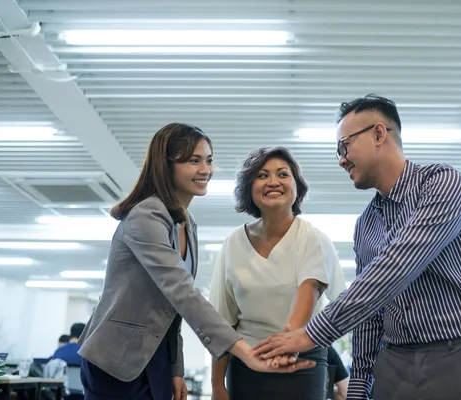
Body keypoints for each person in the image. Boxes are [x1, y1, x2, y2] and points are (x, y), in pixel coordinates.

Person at [254, 95, 461, 400]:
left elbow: (396, 267)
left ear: (378, 134)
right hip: (394, 366)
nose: (341, 159)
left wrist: (312, 333)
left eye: (344, 146)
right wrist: (359, 386)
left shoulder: (443, 184)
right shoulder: (366, 224)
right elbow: (370, 315)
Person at [76, 123, 314, 400]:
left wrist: (175, 369)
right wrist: (244, 352)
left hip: (156, 359)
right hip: (114, 359)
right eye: (194, 160)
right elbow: (182, 292)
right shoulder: (146, 216)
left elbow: (172, 309)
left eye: (209, 160)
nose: (206, 170)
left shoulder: (187, 224)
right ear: (166, 165)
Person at [209, 146, 346, 400]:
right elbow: (222, 322)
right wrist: (217, 385)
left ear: (297, 187)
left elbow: (310, 288)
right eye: (262, 176)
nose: (273, 181)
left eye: (283, 174)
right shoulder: (233, 243)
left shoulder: (311, 237)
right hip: (246, 364)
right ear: (249, 188)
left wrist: (288, 342)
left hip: (301, 364)